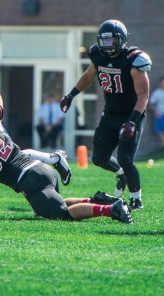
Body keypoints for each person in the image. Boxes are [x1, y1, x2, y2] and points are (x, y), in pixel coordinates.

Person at [0, 105, 133, 223]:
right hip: (40, 168)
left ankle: (110, 210)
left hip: (28, 182)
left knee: (62, 215)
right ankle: (97, 200)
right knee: (58, 203)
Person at [60, 19, 152, 210]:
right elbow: (89, 75)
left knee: (126, 158)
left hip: (131, 114)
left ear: (122, 39)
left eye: (112, 41)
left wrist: (132, 123)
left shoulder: (134, 59)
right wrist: (71, 95)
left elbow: (143, 96)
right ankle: (121, 175)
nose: (108, 46)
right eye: (105, 41)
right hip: (110, 113)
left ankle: (136, 199)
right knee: (99, 158)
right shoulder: (97, 55)